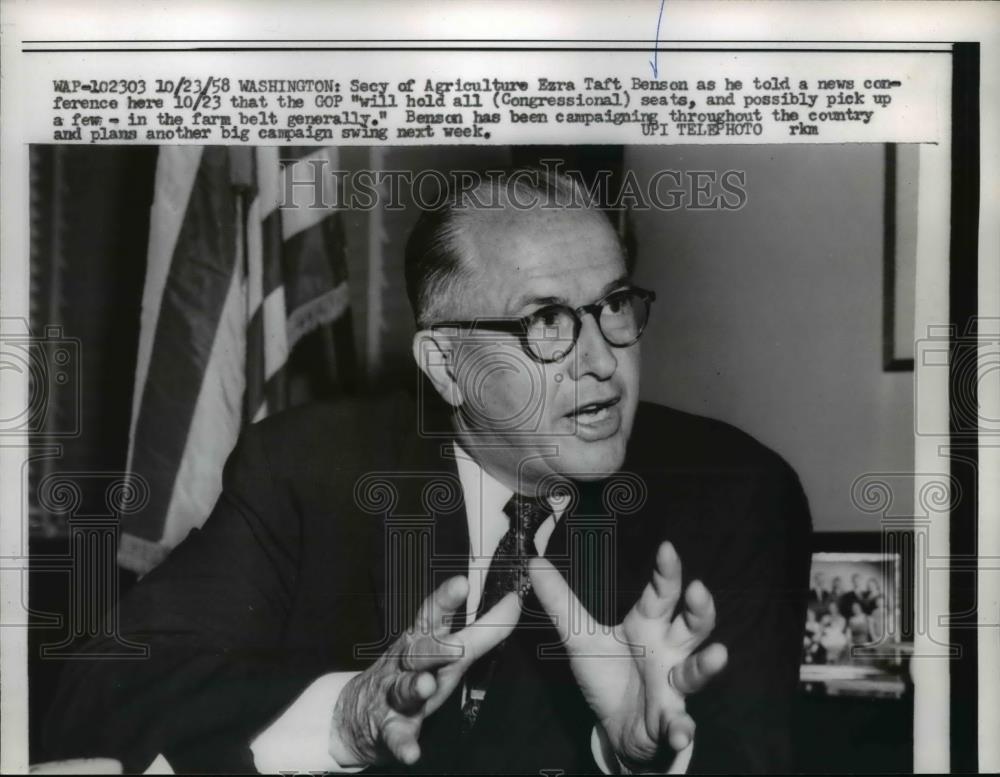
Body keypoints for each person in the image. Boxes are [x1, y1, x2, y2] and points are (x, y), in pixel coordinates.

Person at [45, 169, 812, 774]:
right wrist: (345, 719)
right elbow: (98, 698)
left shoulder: (735, 493)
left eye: (614, 305)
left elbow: (751, 757)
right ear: (445, 366)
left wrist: (638, 760)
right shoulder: (309, 471)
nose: (603, 360)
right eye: (547, 321)